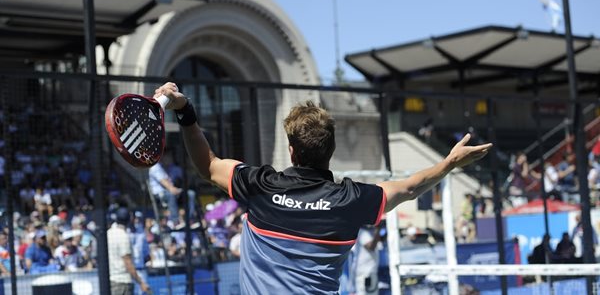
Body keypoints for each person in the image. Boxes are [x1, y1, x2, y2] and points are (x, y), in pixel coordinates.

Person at [153, 82, 492, 294]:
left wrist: (184, 110)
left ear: (291, 151)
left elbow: (208, 163)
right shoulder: (350, 200)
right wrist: (448, 163)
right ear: (330, 152)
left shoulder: (260, 185)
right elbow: (409, 188)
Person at [107, 207, 151, 295]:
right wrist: (141, 283)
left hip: (111, 280)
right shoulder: (123, 236)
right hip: (123, 282)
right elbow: (128, 263)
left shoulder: (108, 233)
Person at [148, 155, 196, 227]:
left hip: (173, 192)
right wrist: (175, 189)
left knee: (191, 193)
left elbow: (185, 176)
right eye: (166, 155)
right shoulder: (155, 167)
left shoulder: (172, 167)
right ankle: (175, 222)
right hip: (159, 195)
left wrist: (190, 166)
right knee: (171, 194)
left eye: (169, 156)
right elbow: (166, 184)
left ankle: (190, 220)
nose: (168, 158)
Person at [351, 225, 382, 295]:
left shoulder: (369, 232)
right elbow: (371, 247)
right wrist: (378, 230)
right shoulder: (362, 232)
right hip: (365, 273)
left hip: (370, 272)